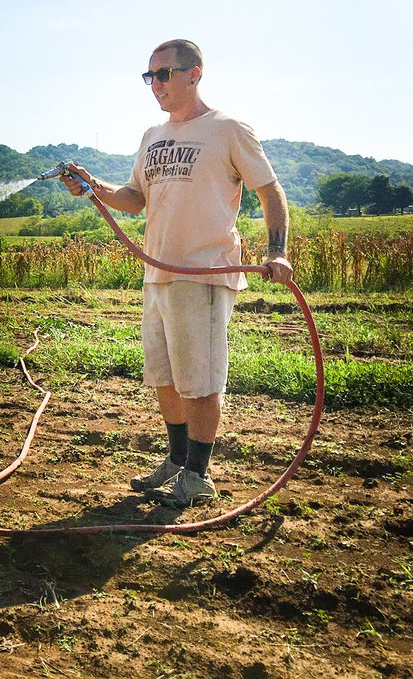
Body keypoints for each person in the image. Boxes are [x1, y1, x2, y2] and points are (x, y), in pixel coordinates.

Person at [59, 39, 293, 507]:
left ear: (195, 73)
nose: (156, 85)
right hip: (158, 273)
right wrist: (93, 187)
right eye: (150, 76)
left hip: (203, 272)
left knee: (200, 382)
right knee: (163, 378)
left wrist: (278, 251)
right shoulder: (152, 136)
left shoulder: (228, 129)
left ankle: (199, 476)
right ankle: (177, 460)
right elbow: (134, 197)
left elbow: (270, 192)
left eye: (164, 74)